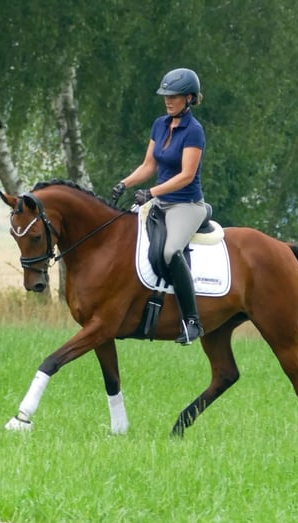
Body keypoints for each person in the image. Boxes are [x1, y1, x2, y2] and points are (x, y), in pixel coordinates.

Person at [111, 67, 208, 345]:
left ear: (189, 98)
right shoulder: (160, 124)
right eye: (166, 95)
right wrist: (124, 184)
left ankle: (191, 321)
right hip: (159, 202)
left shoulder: (194, 131)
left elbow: (186, 175)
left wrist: (151, 192)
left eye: (174, 96)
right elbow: (149, 165)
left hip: (185, 204)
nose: (168, 100)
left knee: (169, 251)